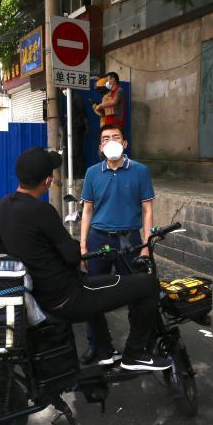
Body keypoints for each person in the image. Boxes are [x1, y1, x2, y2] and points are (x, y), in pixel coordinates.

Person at [0, 147, 171, 371]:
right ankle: (135, 354)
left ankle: (103, 350)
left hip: (40, 296)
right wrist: (66, 247)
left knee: (102, 286)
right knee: (147, 284)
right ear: (47, 181)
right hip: (67, 298)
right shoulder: (42, 211)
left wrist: (26, 252)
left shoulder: (1, 206)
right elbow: (71, 256)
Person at [78, 124, 155, 365]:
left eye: (115, 137)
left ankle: (137, 348)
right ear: (100, 147)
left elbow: (147, 209)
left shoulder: (140, 171)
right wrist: (82, 246)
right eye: (105, 138)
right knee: (91, 297)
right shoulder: (92, 173)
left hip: (129, 241)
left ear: (124, 143)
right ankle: (99, 346)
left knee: (137, 296)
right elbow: (87, 210)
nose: (110, 141)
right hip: (98, 240)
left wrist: (146, 244)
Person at [58, 88, 87, 178]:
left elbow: (83, 112)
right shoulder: (65, 99)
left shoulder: (76, 97)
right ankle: (70, 173)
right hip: (68, 128)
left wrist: (86, 125)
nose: (62, 90)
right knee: (67, 150)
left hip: (76, 127)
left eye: (63, 88)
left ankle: (79, 174)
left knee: (76, 151)